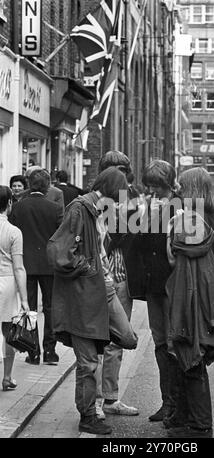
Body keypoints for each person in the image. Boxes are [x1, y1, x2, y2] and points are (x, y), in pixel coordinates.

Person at [48, 167, 138, 435]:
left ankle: (93, 343)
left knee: (128, 338)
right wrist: (88, 268)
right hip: (84, 294)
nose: (120, 204)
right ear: (110, 192)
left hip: (103, 289)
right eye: (119, 197)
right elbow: (58, 252)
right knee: (88, 363)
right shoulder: (80, 209)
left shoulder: (98, 212)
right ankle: (88, 415)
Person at [165, 167, 214, 438]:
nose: (178, 190)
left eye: (182, 186)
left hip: (193, 295)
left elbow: (172, 259)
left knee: (190, 357)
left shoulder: (187, 220)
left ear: (191, 189)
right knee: (194, 356)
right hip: (213, 295)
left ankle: (199, 425)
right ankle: (188, 419)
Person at [95, 151, 144, 418]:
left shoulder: (130, 199)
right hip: (106, 275)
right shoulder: (97, 200)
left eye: (122, 172)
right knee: (102, 340)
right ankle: (101, 400)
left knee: (110, 340)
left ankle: (108, 399)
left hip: (117, 274)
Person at [139, 159, 181, 425]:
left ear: (167, 183)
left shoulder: (181, 206)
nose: (152, 189)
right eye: (150, 185)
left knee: (173, 342)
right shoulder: (149, 206)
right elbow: (141, 241)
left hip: (172, 284)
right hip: (154, 284)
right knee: (160, 342)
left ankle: (175, 404)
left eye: (156, 184)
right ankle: (167, 401)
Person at [10, 169, 63, 365]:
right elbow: (62, 236)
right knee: (50, 308)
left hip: (25, 264)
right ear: (48, 185)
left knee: (29, 308)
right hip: (49, 265)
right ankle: (50, 351)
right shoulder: (55, 208)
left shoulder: (18, 207)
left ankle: (33, 352)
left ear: (30, 184)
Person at [0, 186, 30, 391]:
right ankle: (7, 377)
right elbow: (19, 267)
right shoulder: (14, 232)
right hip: (8, 282)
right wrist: (25, 300)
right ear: (9, 203)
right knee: (8, 331)